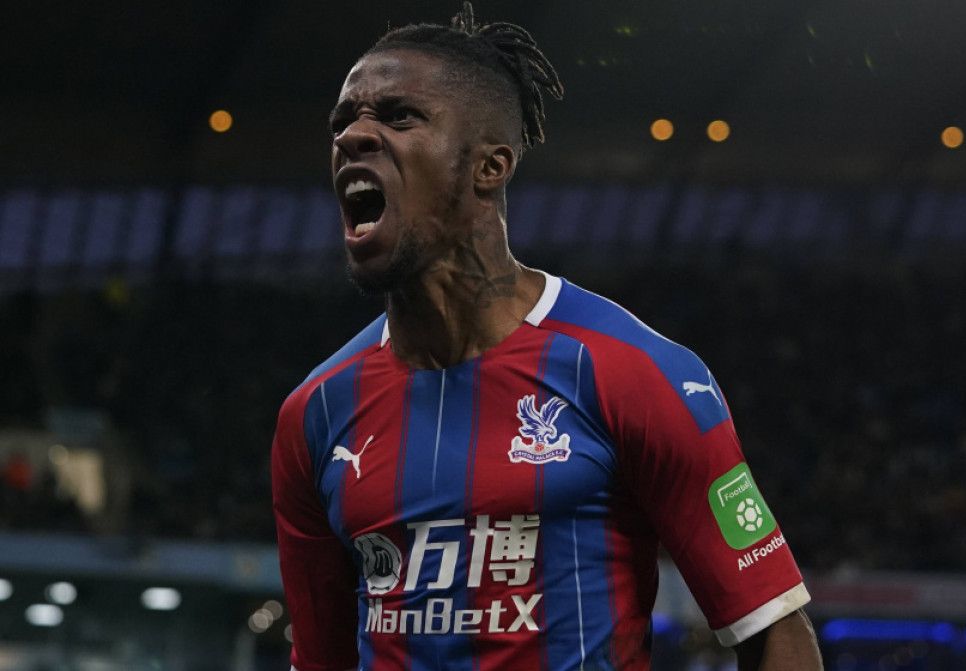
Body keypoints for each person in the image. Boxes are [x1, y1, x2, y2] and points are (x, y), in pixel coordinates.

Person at [271, 4, 823, 669]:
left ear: (490, 166)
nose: (354, 135)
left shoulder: (632, 372)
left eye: (399, 117)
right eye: (343, 121)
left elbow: (773, 630)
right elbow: (320, 659)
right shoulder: (315, 414)